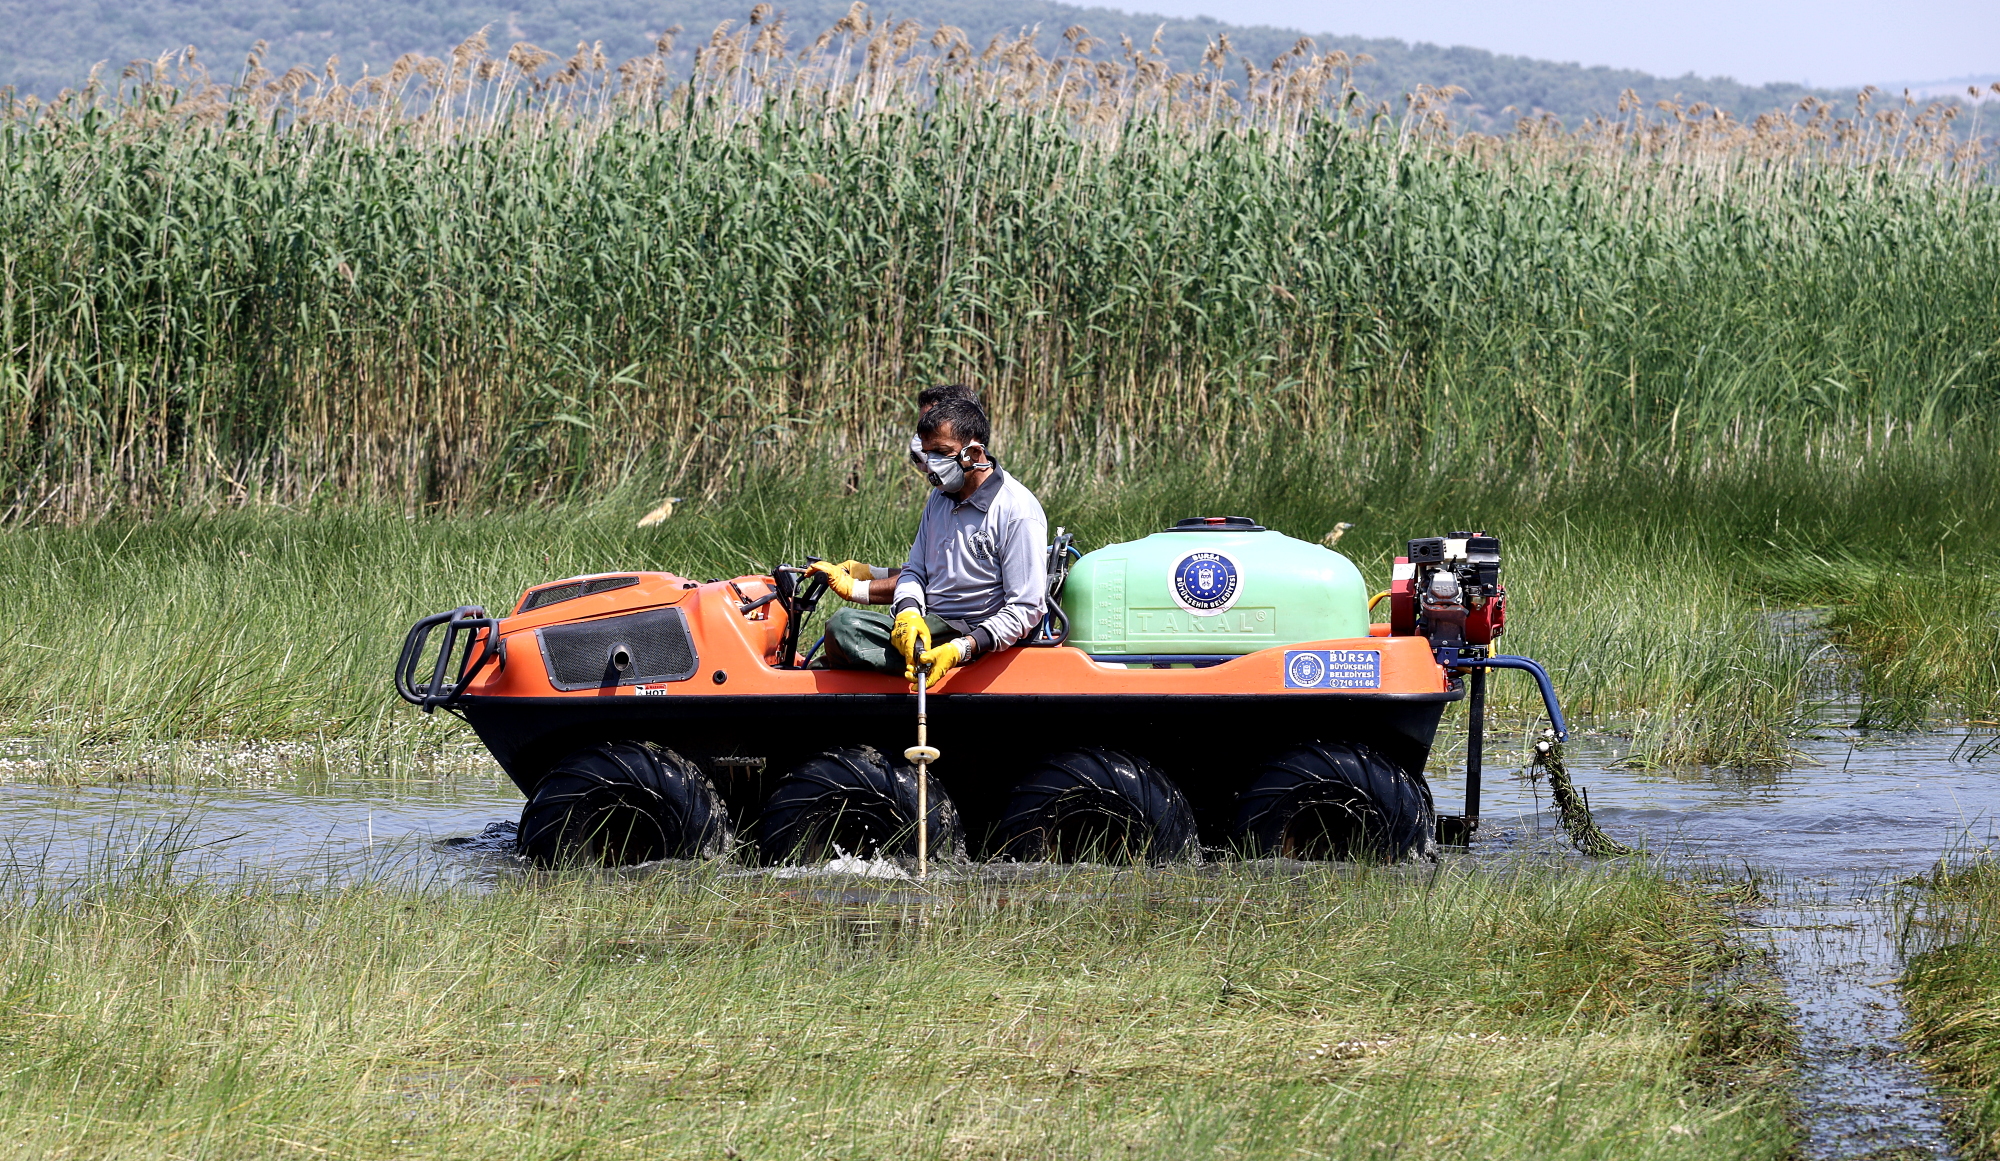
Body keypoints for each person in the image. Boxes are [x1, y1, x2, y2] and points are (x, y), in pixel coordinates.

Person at [819, 396, 1047, 684]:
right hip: (931, 624)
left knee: (843, 626)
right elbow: (915, 571)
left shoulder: (1016, 510)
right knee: (837, 636)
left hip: (972, 633)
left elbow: (1027, 608)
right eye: (929, 454)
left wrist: (961, 649)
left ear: (973, 452)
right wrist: (908, 613)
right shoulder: (939, 499)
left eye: (942, 452)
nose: (933, 465)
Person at [807, 384, 981, 607]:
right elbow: (927, 573)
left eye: (932, 424)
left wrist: (855, 589)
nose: (923, 437)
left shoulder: (995, 504)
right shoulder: (941, 498)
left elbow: (943, 586)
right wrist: (871, 572)